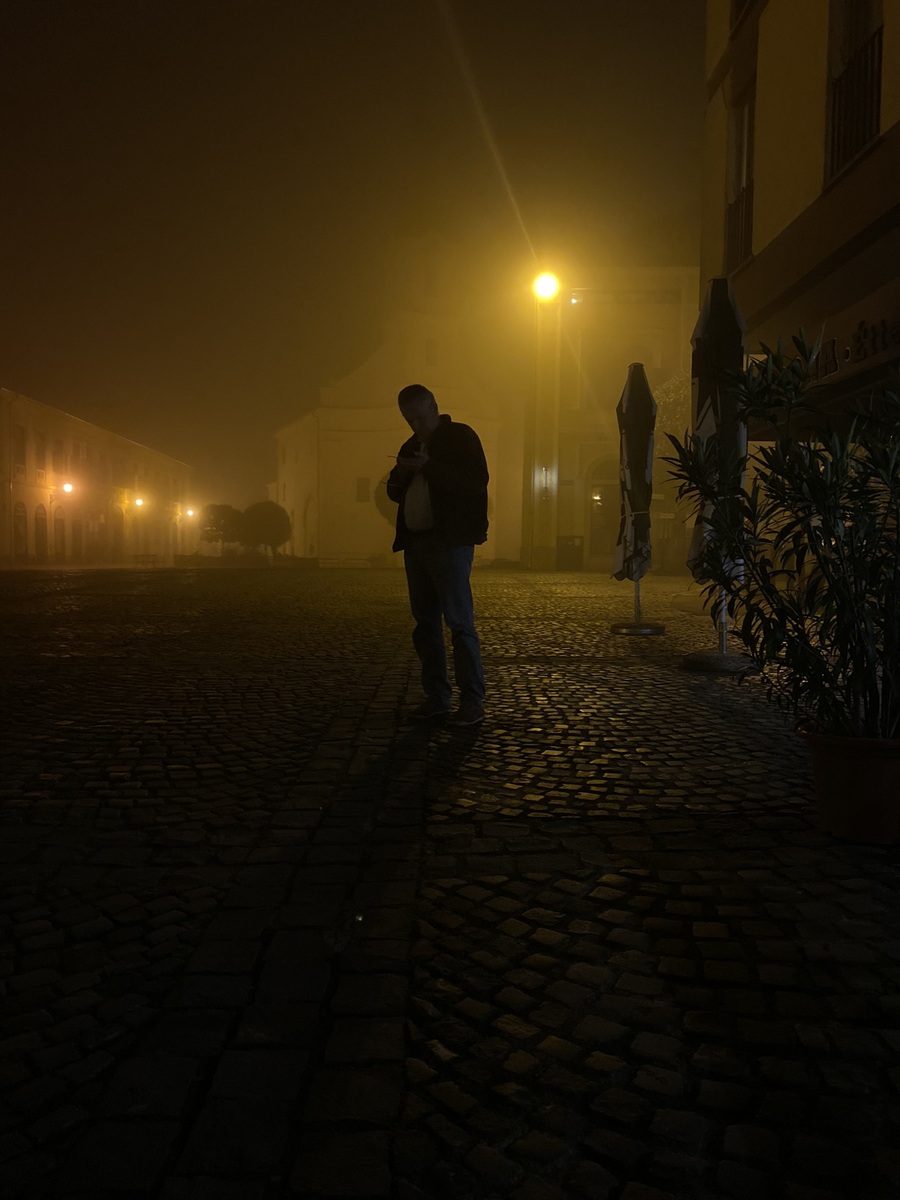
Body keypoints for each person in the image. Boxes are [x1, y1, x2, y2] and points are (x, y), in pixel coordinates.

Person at [386, 384, 488, 726]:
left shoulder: (460, 437)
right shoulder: (410, 445)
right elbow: (394, 493)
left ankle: (472, 701)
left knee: (459, 623)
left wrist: (429, 467)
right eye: (408, 419)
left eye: (419, 417)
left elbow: (475, 481)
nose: (415, 425)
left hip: (450, 542)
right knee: (425, 624)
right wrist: (401, 474)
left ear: (434, 407)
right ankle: (437, 697)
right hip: (416, 544)